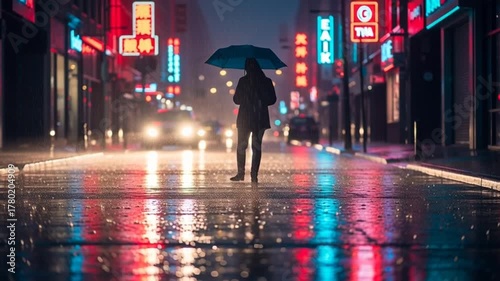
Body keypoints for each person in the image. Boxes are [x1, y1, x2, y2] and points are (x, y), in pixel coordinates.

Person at [230, 58, 277, 183]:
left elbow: (236, 100)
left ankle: (241, 173)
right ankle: (254, 175)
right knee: (256, 147)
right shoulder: (266, 81)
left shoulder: (243, 81)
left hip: (245, 119)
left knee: (242, 146)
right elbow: (272, 99)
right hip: (259, 119)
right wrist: (260, 99)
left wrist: (248, 96)